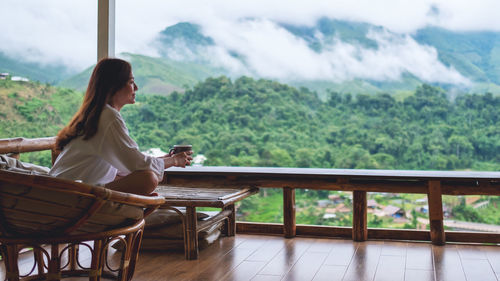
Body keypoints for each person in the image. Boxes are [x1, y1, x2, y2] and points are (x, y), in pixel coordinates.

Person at [49, 58, 192, 195]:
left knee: (143, 176)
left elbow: (128, 163)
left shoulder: (98, 114)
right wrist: (173, 160)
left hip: (66, 190)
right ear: (114, 86)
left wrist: (164, 159)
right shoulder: (107, 116)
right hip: (72, 196)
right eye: (131, 82)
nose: (136, 87)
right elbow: (136, 163)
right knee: (147, 179)